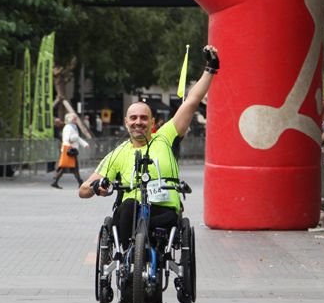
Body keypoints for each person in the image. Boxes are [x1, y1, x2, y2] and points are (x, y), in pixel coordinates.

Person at [78, 45, 219, 251]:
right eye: (133, 118)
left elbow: (191, 101)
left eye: (144, 118)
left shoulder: (165, 136)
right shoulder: (118, 153)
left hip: (163, 211)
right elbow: (82, 190)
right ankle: (128, 264)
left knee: (159, 220)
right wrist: (95, 186)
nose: (138, 122)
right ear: (126, 122)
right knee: (126, 207)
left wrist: (210, 68)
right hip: (131, 212)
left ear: (153, 122)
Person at [51, 113, 89, 189]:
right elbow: (68, 138)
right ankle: (80, 182)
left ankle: (79, 182)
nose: (76, 120)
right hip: (69, 150)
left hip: (70, 149)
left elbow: (75, 138)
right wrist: (75, 140)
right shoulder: (69, 127)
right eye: (74, 119)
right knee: (69, 167)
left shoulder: (72, 127)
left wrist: (83, 143)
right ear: (71, 120)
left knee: (70, 167)